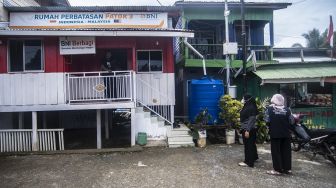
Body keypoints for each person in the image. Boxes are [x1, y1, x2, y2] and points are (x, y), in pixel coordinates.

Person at [265, 94, 294, 175]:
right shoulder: (288, 109)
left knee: (276, 151)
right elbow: (291, 121)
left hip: (275, 133)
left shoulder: (269, 109)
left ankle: (277, 170)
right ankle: (287, 169)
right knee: (286, 151)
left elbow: (267, 120)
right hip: (286, 134)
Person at [238, 94, 259, 168]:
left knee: (248, 145)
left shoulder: (251, 108)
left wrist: (247, 130)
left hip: (249, 129)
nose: (243, 100)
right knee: (252, 144)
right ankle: (254, 157)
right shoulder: (250, 106)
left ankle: (248, 162)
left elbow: (251, 119)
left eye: (243, 98)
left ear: (247, 99)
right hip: (250, 128)